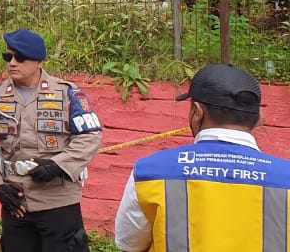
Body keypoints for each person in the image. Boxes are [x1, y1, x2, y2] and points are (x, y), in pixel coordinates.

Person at [114, 63, 288, 251]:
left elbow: (129, 243)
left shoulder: (149, 173)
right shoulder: (285, 177)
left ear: (197, 112)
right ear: (259, 118)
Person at [0, 29, 102, 252]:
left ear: (38, 61)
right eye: (7, 57)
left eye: (19, 57)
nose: (11, 63)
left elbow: (90, 135)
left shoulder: (67, 94)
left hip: (59, 202)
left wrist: (58, 165)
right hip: (16, 201)